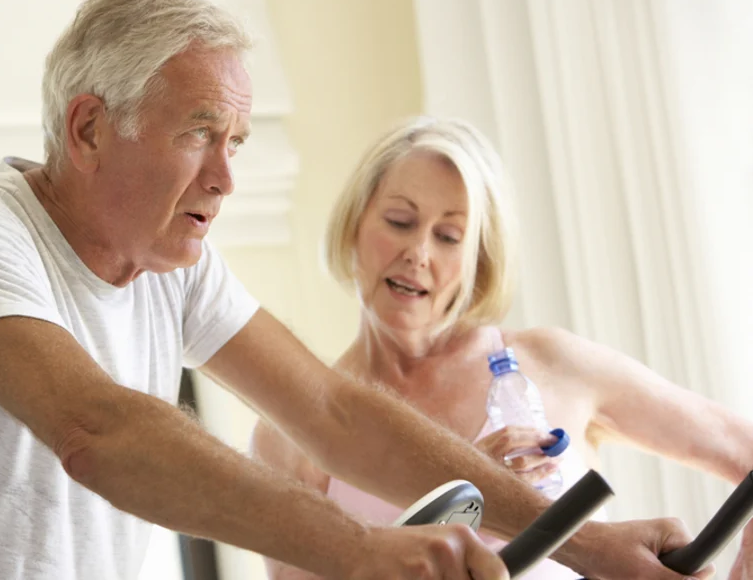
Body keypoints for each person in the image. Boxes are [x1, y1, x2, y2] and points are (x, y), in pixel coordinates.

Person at [0, 0, 710, 579]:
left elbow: (331, 413)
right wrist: (358, 552)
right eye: (198, 133)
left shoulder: (171, 267)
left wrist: (585, 546)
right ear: (88, 127)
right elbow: (97, 430)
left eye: (237, 141)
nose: (225, 178)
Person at [252, 115, 753, 579]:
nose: (418, 253)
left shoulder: (554, 365)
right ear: (355, 225)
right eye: (400, 222)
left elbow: (743, 450)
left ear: (481, 260)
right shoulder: (290, 431)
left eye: (449, 236)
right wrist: (464, 495)